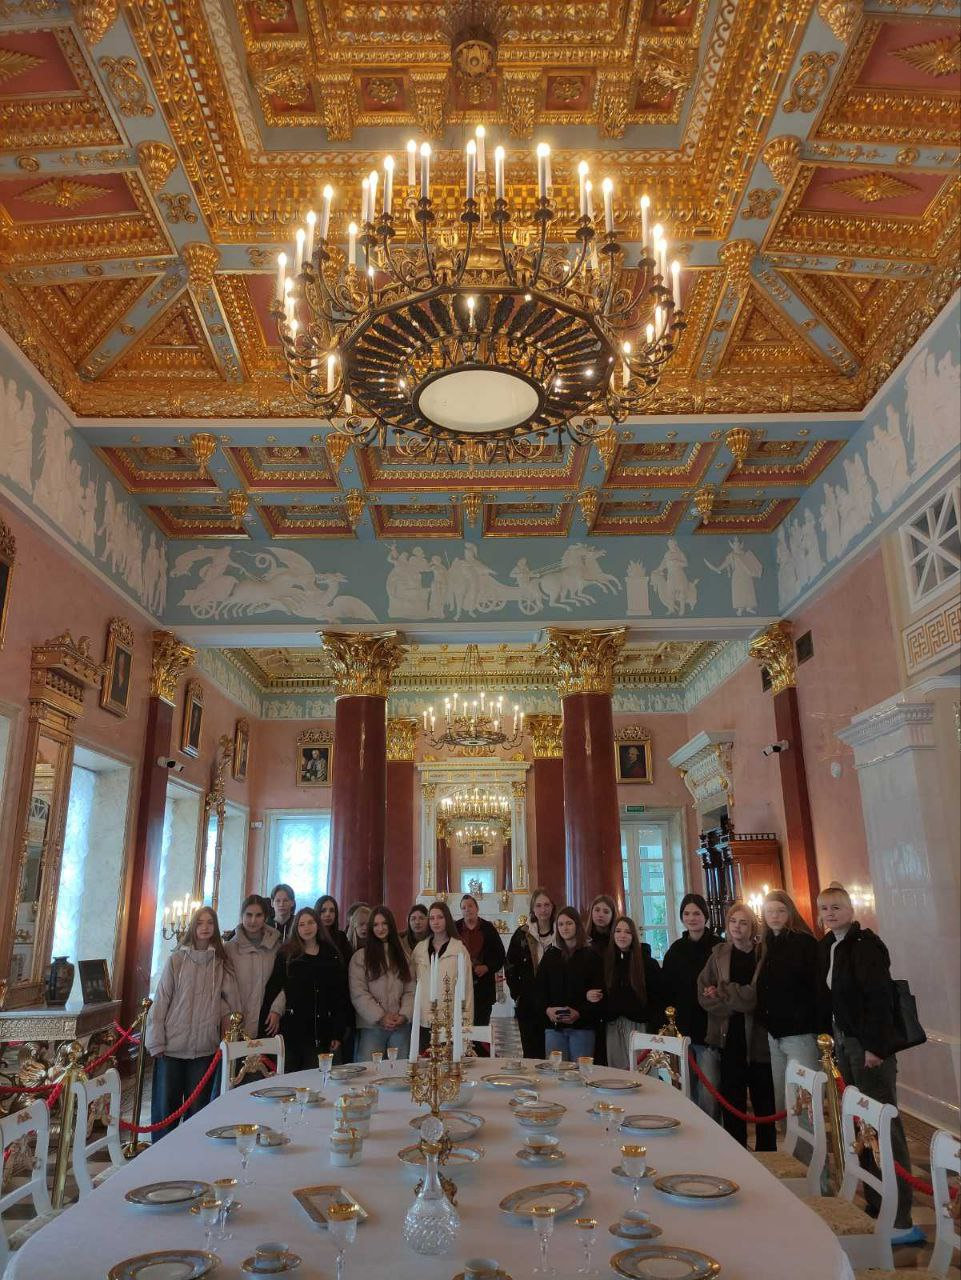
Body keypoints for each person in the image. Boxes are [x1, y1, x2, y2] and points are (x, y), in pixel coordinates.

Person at [817, 883, 922, 1245]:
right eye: (824, 908)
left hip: (868, 1047)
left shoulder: (865, 945)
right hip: (845, 1042)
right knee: (861, 1124)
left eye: (836, 907)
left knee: (883, 1125)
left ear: (851, 909)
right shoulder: (830, 946)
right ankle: (877, 1204)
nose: (830, 914)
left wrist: (875, 1048)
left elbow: (879, 999)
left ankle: (901, 1217)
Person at [146, 907, 237, 1140]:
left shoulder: (219, 963)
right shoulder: (177, 960)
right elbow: (162, 1000)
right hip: (172, 1046)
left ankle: (192, 1154)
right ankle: (162, 1155)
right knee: (166, 1110)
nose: (205, 927)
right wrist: (155, 1040)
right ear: (193, 927)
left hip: (204, 1048)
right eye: (200, 923)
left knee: (198, 1110)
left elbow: (226, 1000)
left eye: (210, 923)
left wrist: (226, 1028)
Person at [698, 903, 776, 1152]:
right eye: (733, 921)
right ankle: (737, 1153)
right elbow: (703, 994)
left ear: (752, 926)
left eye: (743, 922)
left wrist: (723, 991)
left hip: (759, 1039)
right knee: (732, 1101)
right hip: (728, 1036)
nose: (737, 927)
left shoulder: (763, 955)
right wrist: (732, 1004)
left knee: (764, 1102)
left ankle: (767, 1155)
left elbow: (754, 997)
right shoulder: (718, 954)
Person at [755, 889, 826, 1117]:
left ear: (790, 912)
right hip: (775, 1033)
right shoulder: (766, 944)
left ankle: (806, 1142)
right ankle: (788, 1140)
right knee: (783, 1097)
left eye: (780, 911)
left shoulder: (804, 942)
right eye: (769, 912)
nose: (774, 916)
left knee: (802, 1099)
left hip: (800, 1031)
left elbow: (817, 987)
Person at [263, 907, 350, 1072]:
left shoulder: (331, 954)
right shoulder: (286, 954)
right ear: (296, 928)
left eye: (310, 923)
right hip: (292, 1030)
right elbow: (275, 988)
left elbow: (339, 996)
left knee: (316, 1077)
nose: (307, 928)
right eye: (302, 924)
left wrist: (337, 1032)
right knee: (291, 1078)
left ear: (318, 925)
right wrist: (274, 1011)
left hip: (322, 1030)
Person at [662, 893, 721, 1119]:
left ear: (705, 916)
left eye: (696, 913)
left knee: (709, 1091)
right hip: (683, 1029)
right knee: (686, 1090)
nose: (691, 918)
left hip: (709, 1028)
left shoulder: (718, 947)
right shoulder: (675, 950)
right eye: (686, 914)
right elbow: (667, 990)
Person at [535, 906, 605, 1062]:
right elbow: (539, 989)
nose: (564, 928)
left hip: (582, 1027)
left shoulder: (591, 956)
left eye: (569, 923)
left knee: (581, 1071)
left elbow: (598, 993)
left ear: (577, 925)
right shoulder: (550, 955)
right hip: (554, 1028)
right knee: (556, 1071)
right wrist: (547, 1010)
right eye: (560, 924)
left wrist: (579, 1013)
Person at [349, 906, 415, 1061]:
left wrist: (404, 1015)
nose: (380, 928)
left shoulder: (404, 956)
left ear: (391, 925)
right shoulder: (360, 957)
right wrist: (380, 1016)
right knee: (370, 1071)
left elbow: (410, 990)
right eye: (376, 925)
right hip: (372, 1026)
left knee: (399, 1070)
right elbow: (359, 993)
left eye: (384, 923)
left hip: (400, 1024)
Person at [410, 902, 474, 1049]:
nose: (436, 922)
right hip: (424, 1018)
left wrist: (466, 1023)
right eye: (432, 918)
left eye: (440, 917)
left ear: (447, 919)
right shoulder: (420, 949)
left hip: (449, 1017)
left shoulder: (458, 949)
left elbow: (467, 988)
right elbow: (412, 982)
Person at [604, 915, 664, 1070]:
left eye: (627, 932)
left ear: (634, 936)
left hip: (638, 1025)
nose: (622, 935)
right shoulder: (607, 962)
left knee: (642, 1071)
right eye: (618, 931)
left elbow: (657, 998)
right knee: (617, 1072)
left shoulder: (647, 963)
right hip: (613, 1025)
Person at [505, 888, 556, 1060]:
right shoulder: (522, 934)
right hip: (528, 1004)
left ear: (552, 907)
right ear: (533, 909)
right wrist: (517, 994)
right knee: (532, 1054)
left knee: (554, 1055)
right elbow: (510, 965)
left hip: (554, 1001)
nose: (543, 909)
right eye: (539, 906)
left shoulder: (560, 931)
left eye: (547, 905)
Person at [225, 895, 280, 1039]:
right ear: (242, 915)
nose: (253, 920)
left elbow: (283, 982)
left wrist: (277, 1009)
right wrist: (233, 1017)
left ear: (265, 917)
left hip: (268, 1021)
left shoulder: (276, 946)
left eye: (258, 915)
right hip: (237, 1023)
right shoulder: (230, 948)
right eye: (249, 915)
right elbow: (226, 988)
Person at [456, 894, 506, 1036]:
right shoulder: (455, 928)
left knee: (480, 1028)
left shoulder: (488, 928)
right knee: (461, 1029)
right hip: (461, 986)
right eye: (463, 907)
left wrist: (487, 967)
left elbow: (500, 955)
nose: (467, 910)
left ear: (477, 908)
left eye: (470, 906)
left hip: (483, 986)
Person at [315, 894, 352, 966]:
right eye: (323, 911)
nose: (328, 914)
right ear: (317, 913)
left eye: (332, 911)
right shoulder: (312, 937)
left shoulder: (341, 937)